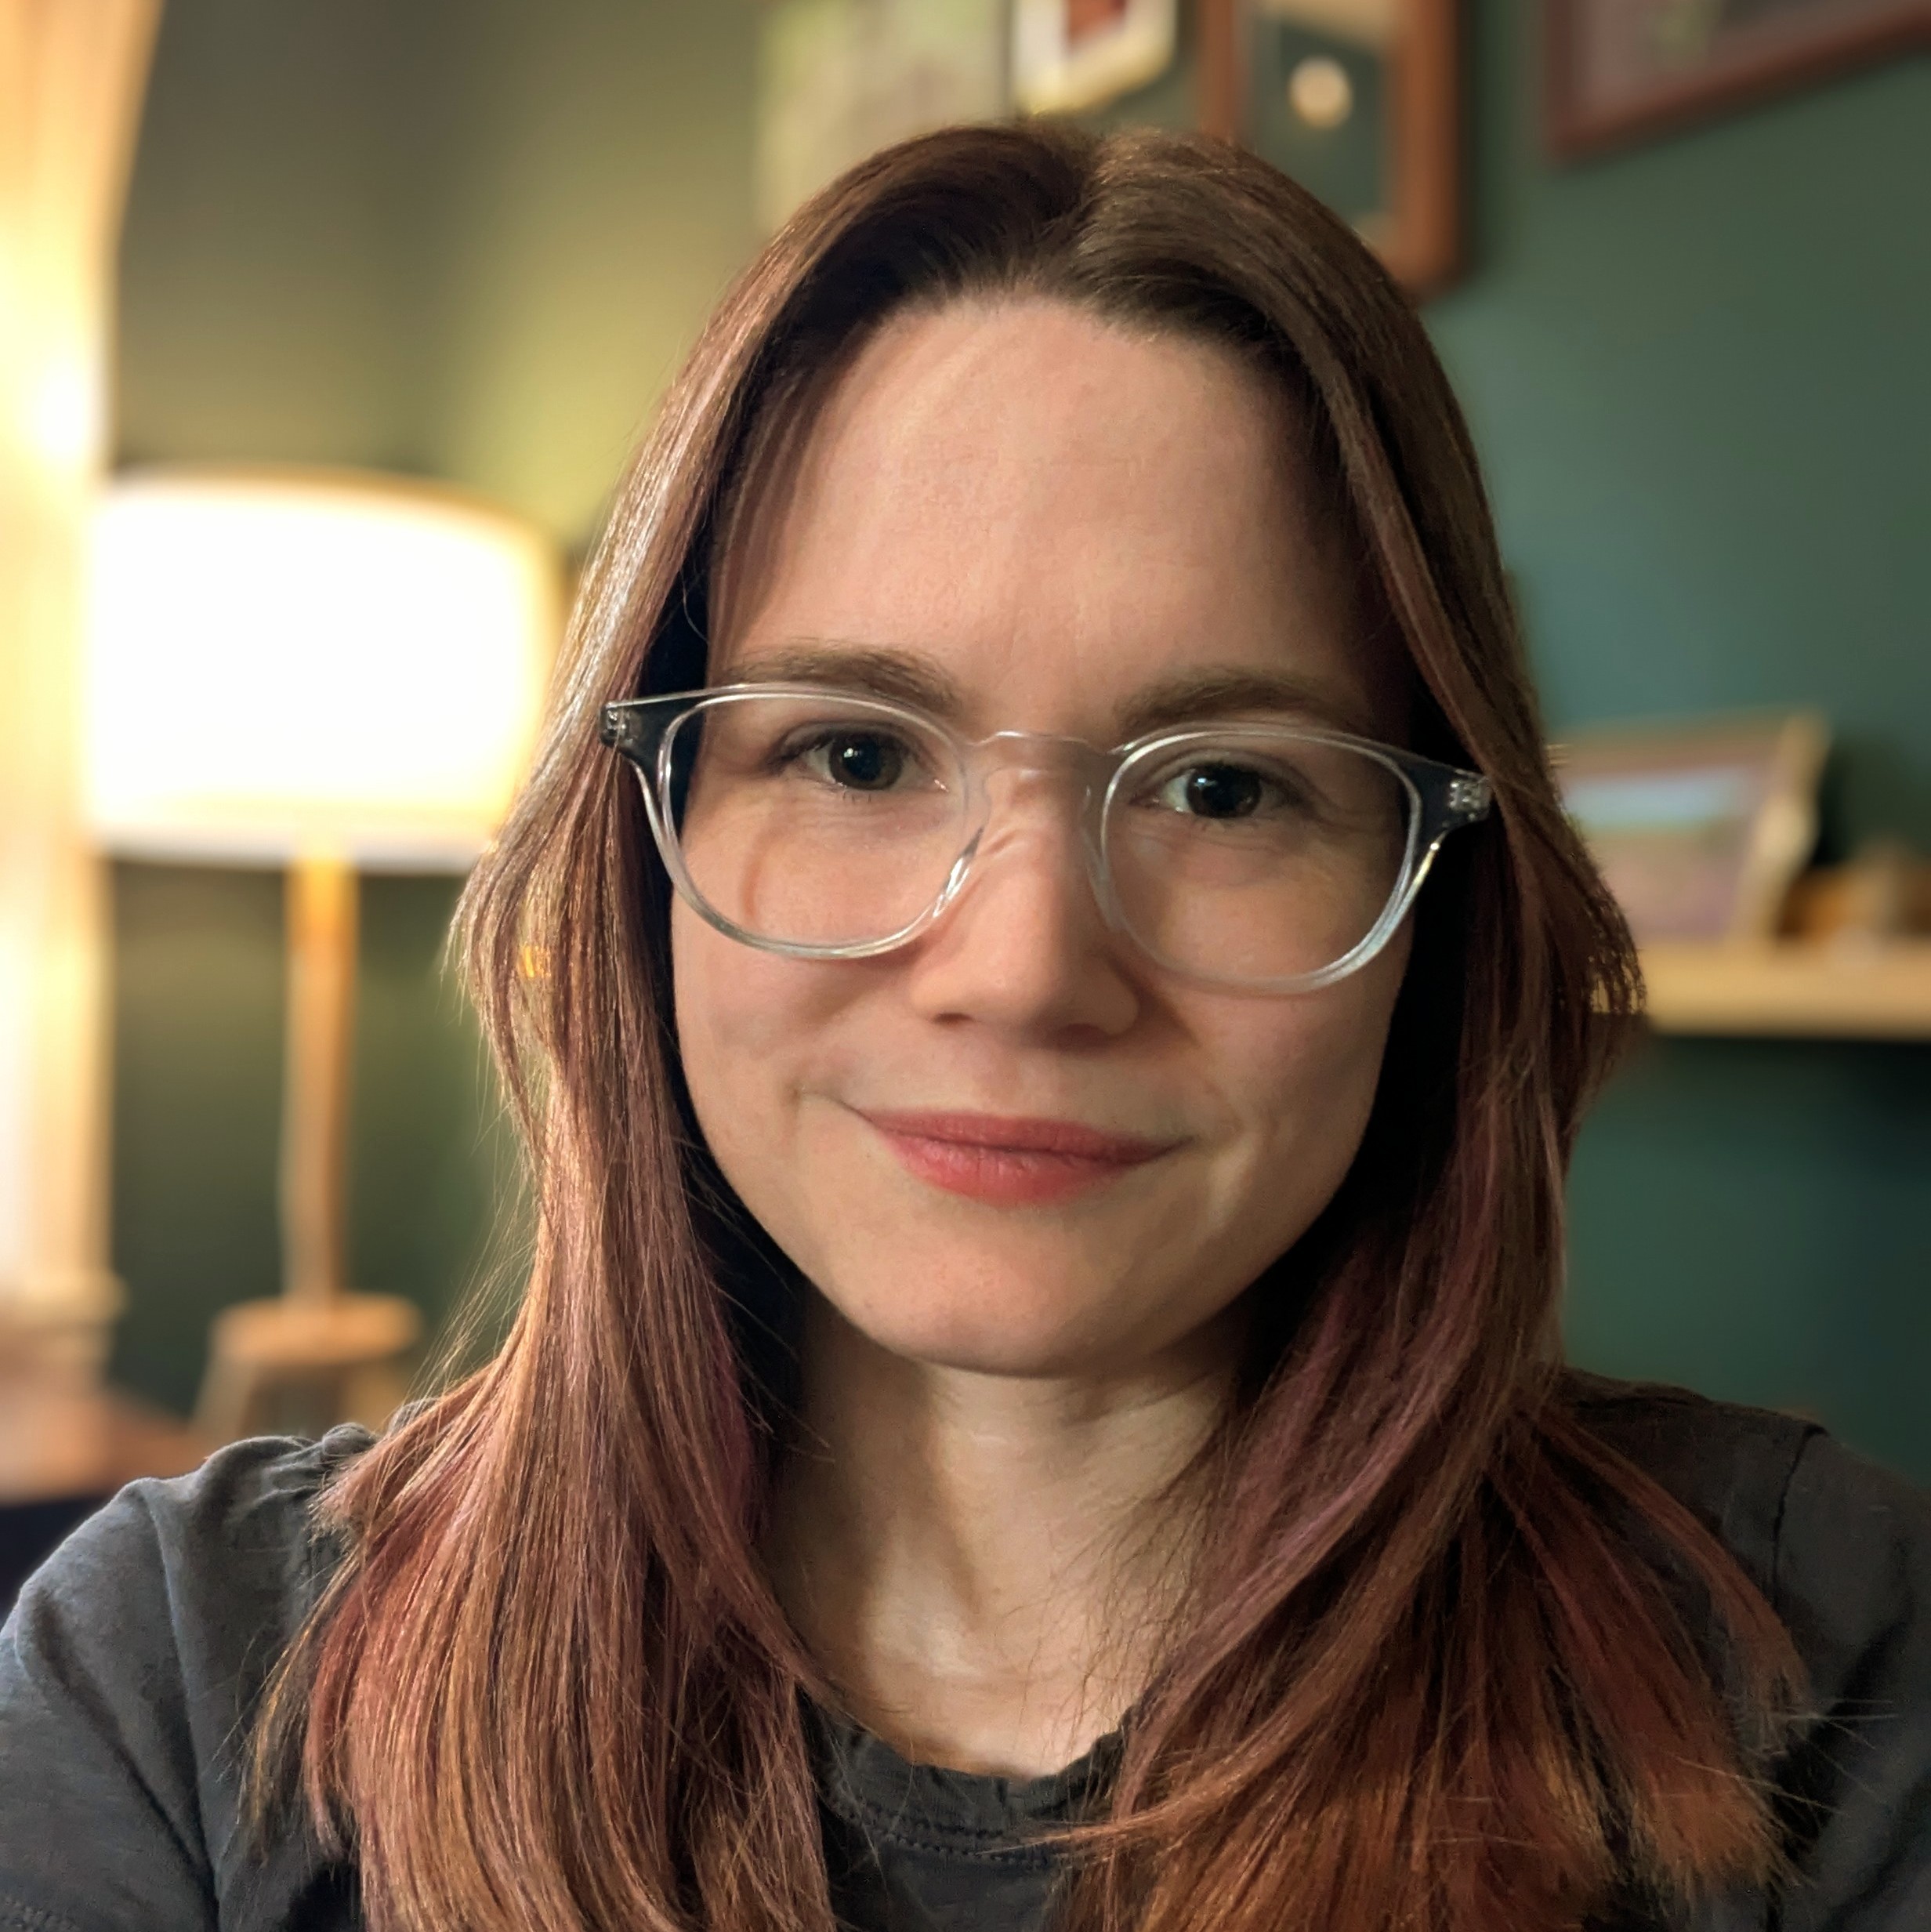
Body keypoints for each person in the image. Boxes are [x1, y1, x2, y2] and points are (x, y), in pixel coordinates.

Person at [1, 121, 1925, 1932]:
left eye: (1226, 789)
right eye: (849, 753)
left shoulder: (1815, 1657)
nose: (1019, 966)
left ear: (1436, 899)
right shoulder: (173, 1682)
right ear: (641, 851)